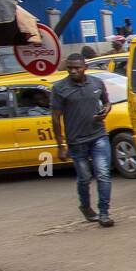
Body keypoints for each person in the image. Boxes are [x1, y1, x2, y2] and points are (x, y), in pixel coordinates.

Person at [50, 51, 114, 227]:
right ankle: (85, 207)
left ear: (85, 68)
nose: (73, 71)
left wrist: (106, 111)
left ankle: (104, 212)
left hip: (98, 135)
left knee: (103, 174)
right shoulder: (59, 88)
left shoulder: (97, 83)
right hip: (76, 141)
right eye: (69, 68)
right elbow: (55, 118)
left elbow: (107, 102)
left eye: (77, 68)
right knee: (84, 178)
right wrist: (60, 145)